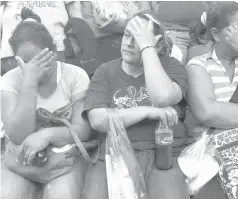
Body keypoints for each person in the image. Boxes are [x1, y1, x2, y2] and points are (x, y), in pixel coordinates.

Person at [81, 10, 190, 199]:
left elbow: (163, 97)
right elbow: (98, 121)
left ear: (157, 44)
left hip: (163, 152)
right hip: (114, 154)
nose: (129, 44)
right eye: (127, 35)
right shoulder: (105, 71)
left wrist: (147, 48)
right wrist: (147, 111)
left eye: (138, 39)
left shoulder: (171, 66)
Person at [1, 9, 90, 199]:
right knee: (8, 194)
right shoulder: (10, 80)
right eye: (25, 63)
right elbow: (18, 136)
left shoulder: (75, 76)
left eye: (41, 60)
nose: (34, 68)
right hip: (21, 158)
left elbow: (83, 130)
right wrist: (29, 84)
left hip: (65, 156)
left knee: (61, 195)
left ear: (54, 53)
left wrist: (47, 134)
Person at [186, 2, 238, 199]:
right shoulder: (198, 65)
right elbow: (207, 112)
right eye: (237, 29)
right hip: (220, 157)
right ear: (216, 34)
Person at [0, 1, 83, 75]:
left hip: (56, 48)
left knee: (57, 87)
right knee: (17, 87)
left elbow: (74, 9)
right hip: (15, 50)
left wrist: (81, 38)